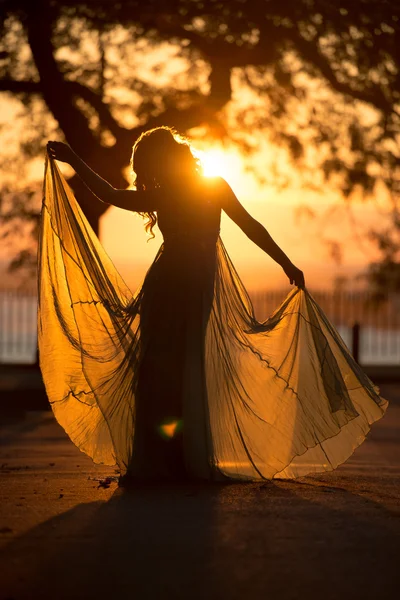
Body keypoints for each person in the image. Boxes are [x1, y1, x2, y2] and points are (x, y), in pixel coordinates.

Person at [41, 127, 387, 483]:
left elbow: (249, 225)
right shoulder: (194, 188)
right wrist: (285, 263)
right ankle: (167, 458)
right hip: (179, 282)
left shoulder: (190, 189)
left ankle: (170, 458)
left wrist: (285, 262)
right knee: (173, 366)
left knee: (172, 367)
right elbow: (116, 195)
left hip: (181, 281)